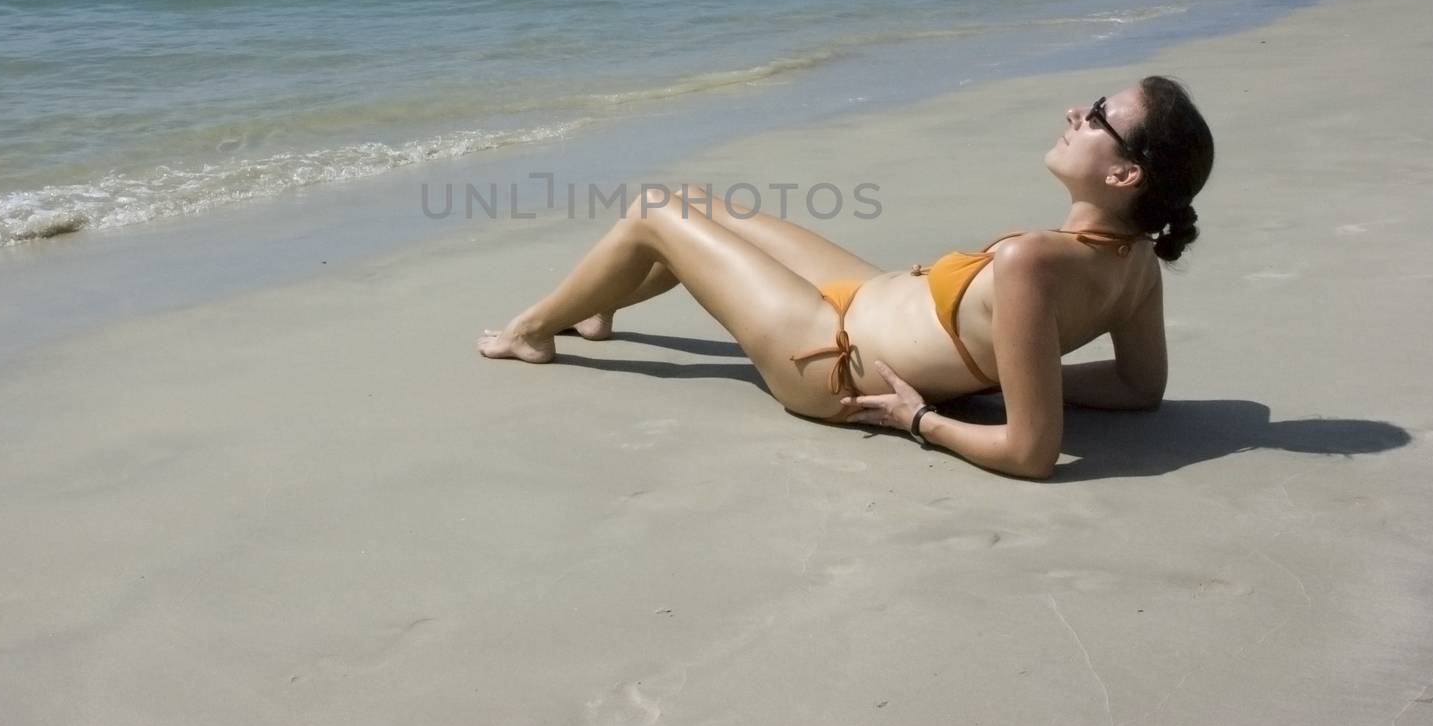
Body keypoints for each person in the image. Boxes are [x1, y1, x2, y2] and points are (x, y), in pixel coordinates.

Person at [477, 76, 1214, 479]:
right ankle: (598, 309)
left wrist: (918, 418)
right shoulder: (1134, 260)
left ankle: (530, 332)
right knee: (695, 203)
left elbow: (1032, 454)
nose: (1073, 111)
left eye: (1095, 114)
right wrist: (1011, 375)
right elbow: (1137, 389)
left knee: (652, 214)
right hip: (872, 294)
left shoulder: (1035, 265)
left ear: (1123, 172)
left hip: (833, 360)